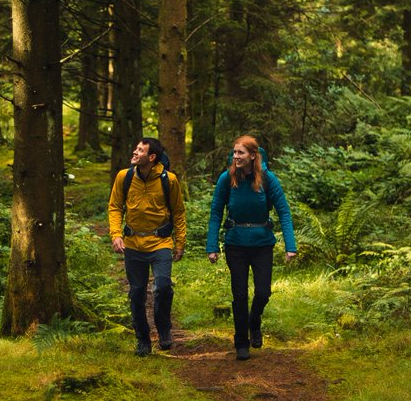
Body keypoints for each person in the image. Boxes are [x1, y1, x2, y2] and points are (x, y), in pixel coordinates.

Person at [206, 135, 297, 361]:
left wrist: (290, 245)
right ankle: (241, 342)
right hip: (235, 243)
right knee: (239, 294)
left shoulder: (267, 178)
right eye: (235, 153)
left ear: (253, 155)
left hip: (262, 244)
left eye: (241, 153)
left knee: (263, 291)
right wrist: (212, 246)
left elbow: (284, 212)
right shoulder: (227, 179)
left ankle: (254, 322)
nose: (236, 157)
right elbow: (216, 213)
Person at [108, 137, 187, 356]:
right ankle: (142, 339)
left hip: (160, 242)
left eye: (140, 150)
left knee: (162, 287)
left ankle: (164, 330)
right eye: (135, 148)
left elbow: (179, 212)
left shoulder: (168, 180)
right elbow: (115, 207)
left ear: (151, 157)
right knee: (136, 294)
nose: (134, 152)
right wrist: (116, 235)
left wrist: (180, 243)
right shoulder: (124, 177)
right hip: (133, 244)